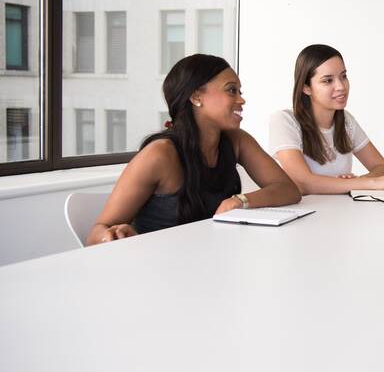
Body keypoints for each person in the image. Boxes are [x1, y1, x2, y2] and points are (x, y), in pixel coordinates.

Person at [86, 54, 301, 244]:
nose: (241, 99)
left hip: (208, 263)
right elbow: (95, 235)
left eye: (239, 91)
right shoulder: (159, 155)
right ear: (196, 97)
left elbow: (288, 189)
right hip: (159, 270)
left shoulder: (237, 141)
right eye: (231, 90)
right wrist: (112, 236)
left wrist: (240, 201)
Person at [270, 44, 384, 194]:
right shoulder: (285, 121)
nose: (341, 86)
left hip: (340, 212)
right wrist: (367, 183)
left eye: (343, 76)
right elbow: (304, 182)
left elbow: (382, 168)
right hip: (305, 214)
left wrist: (353, 183)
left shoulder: (346, 121)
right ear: (306, 87)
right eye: (328, 80)